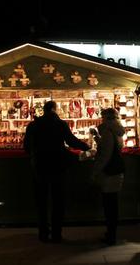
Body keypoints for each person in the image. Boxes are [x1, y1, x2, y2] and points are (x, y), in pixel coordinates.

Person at [23, 100, 90, 243]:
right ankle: (56, 234)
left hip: (39, 166)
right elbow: (72, 141)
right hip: (58, 166)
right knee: (58, 201)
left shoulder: (33, 125)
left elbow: (26, 146)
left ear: (44, 110)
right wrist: (87, 147)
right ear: (55, 109)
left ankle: (43, 233)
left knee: (41, 201)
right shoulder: (60, 124)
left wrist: (36, 156)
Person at [91, 107, 126, 246]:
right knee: (113, 203)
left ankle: (111, 235)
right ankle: (112, 233)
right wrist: (97, 138)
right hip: (117, 171)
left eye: (103, 116)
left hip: (109, 173)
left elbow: (105, 154)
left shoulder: (108, 131)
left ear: (106, 118)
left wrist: (94, 172)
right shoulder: (117, 131)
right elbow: (111, 148)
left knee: (109, 205)